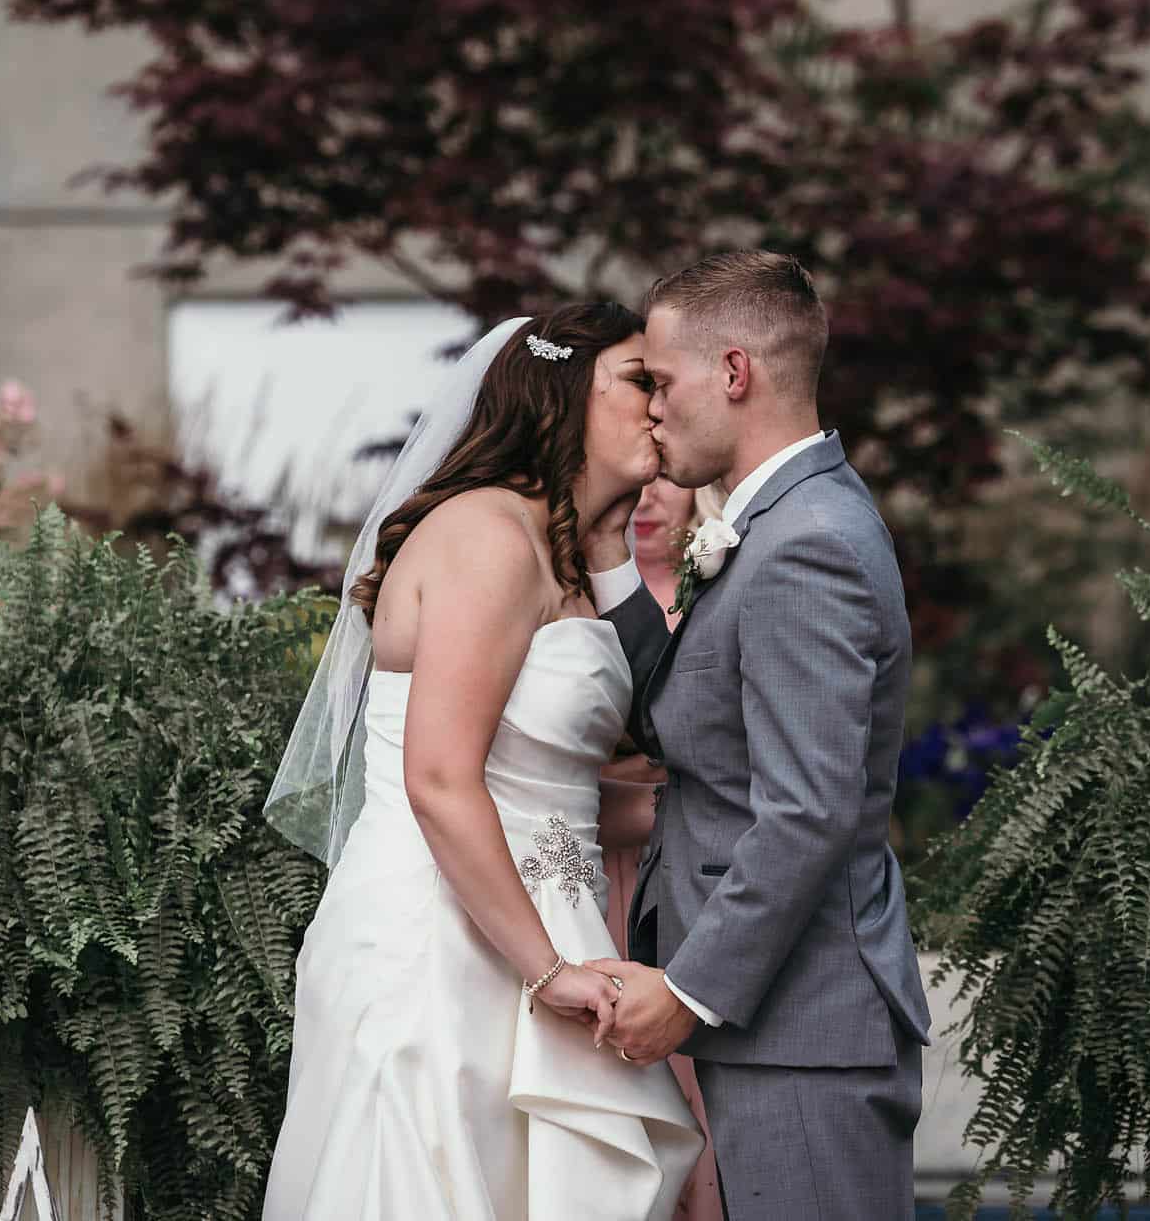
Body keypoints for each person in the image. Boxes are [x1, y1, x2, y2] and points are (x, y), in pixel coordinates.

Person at [260, 304, 702, 1220]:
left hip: (536, 925)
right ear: (563, 391)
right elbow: (440, 778)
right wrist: (547, 970)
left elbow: (569, 785)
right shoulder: (488, 537)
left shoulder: (564, 554)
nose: (661, 405)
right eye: (638, 380)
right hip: (444, 946)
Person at [581, 250, 931, 1220]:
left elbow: (807, 809)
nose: (649, 408)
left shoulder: (802, 541)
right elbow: (681, 716)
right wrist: (610, 554)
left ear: (732, 372)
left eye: (660, 380)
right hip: (786, 1027)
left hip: (805, 1031)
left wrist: (687, 990)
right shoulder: (777, 521)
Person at [598, 477, 726, 1221]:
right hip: (582, 871)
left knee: (682, 1093)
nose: (645, 500)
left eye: (663, 484)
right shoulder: (573, 588)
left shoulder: (712, 591)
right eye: (631, 486)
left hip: (676, 885)